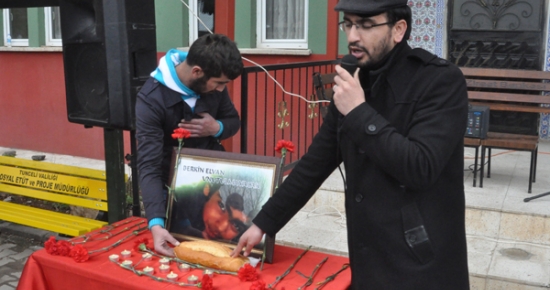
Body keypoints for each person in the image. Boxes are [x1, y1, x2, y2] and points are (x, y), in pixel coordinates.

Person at [232, 0, 470, 289]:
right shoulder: (354, 77)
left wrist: (358, 112)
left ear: (398, 30)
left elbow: (420, 167)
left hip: (420, 263)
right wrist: (263, 222)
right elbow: (317, 161)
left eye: (366, 25)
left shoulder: (439, 81)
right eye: (349, 24)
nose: (353, 36)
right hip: (368, 258)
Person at [136, 33, 243, 256]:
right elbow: (149, 165)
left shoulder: (212, 79)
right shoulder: (151, 99)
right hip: (172, 191)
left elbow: (233, 121)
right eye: (220, 83)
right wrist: (156, 222)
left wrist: (217, 128)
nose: (222, 90)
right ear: (197, 72)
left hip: (212, 183)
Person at [170, 181, 249, 241]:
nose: (221, 228)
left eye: (236, 226)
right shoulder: (178, 201)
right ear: (207, 190)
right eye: (222, 206)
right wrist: (184, 227)